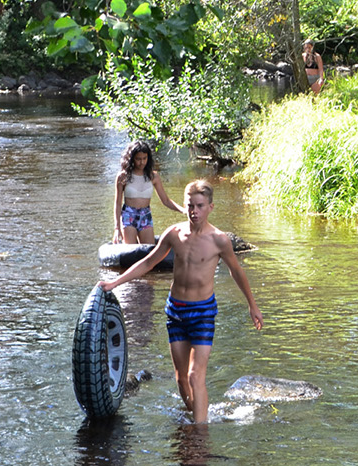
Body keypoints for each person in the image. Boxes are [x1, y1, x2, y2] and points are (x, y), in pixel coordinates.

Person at [100, 180, 263, 424]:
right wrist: (115, 283)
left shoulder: (219, 240)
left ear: (210, 207)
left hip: (203, 313)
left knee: (196, 375)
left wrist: (252, 305)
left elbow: (237, 272)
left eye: (199, 206)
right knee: (181, 379)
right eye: (190, 206)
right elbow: (148, 262)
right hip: (175, 312)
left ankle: (200, 435)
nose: (194, 211)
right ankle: (198, 415)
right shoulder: (174, 234)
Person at [113, 140, 184, 245]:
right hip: (128, 215)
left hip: (145, 215)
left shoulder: (153, 176)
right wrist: (117, 228)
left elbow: (166, 200)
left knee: (149, 250)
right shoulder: (123, 177)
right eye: (138, 159)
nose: (142, 162)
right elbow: (117, 203)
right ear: (131, 159)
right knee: (131, 251)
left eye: (144, 159)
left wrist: (183, 210)